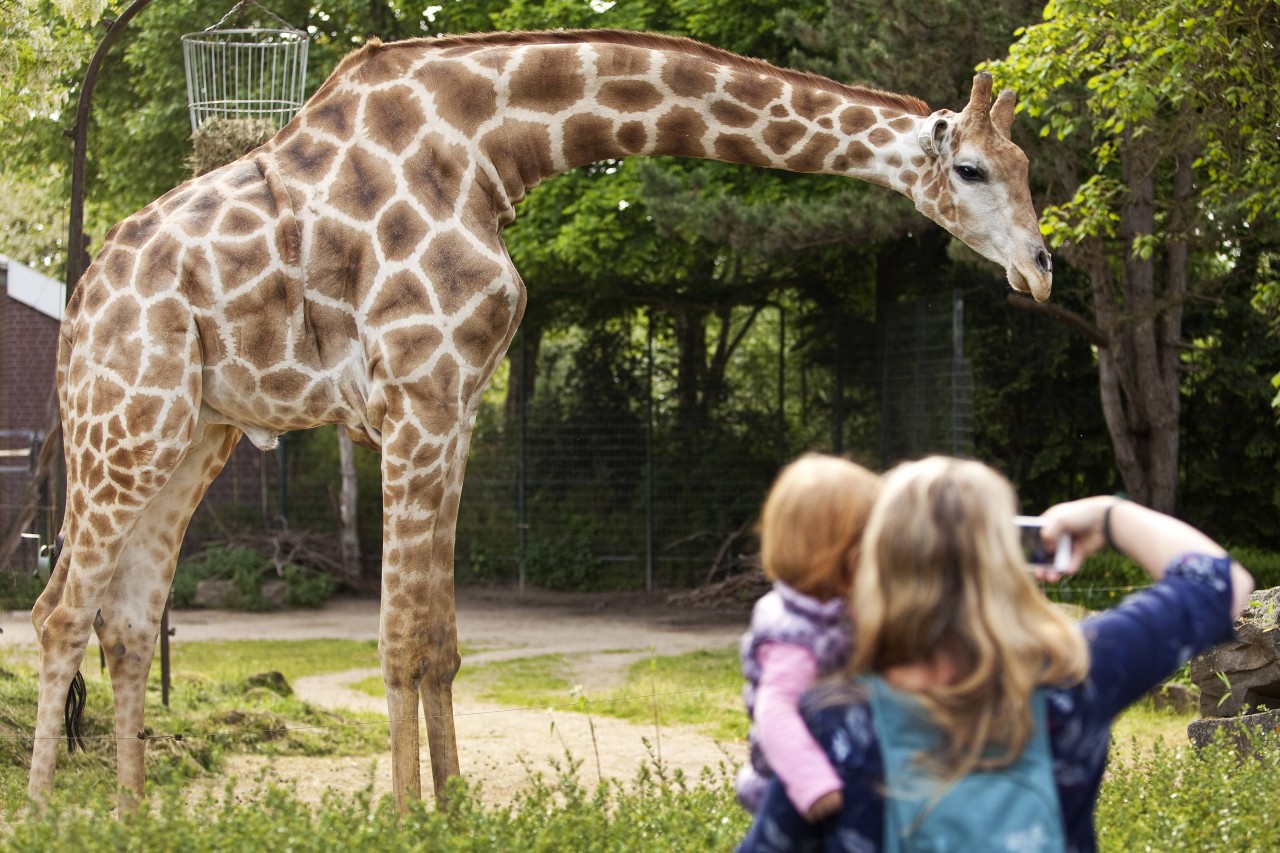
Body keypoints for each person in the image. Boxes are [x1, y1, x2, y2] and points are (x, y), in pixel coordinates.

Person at [739, 455, 1255, 852]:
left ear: (873, 565)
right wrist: (1107, 514)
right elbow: (1221, 581)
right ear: (1005, 562)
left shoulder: (834, 723)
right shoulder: (1076, 677)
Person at [737, 453, 882, 822]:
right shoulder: (794, 636)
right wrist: (813, 784)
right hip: (795, 794)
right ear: (838, 554)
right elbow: (775, 712)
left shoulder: (838, 609)